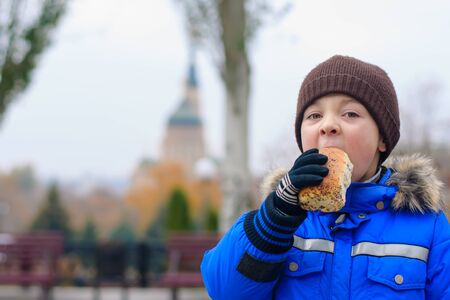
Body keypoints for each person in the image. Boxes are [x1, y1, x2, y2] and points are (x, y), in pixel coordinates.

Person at [200, 55, 450, 299]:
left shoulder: (426, 225)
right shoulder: (281, 218)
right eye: (314, 116)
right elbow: (224, 291)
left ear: (382, 138)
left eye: (350, 114)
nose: (328, 125)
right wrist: (273, 220)